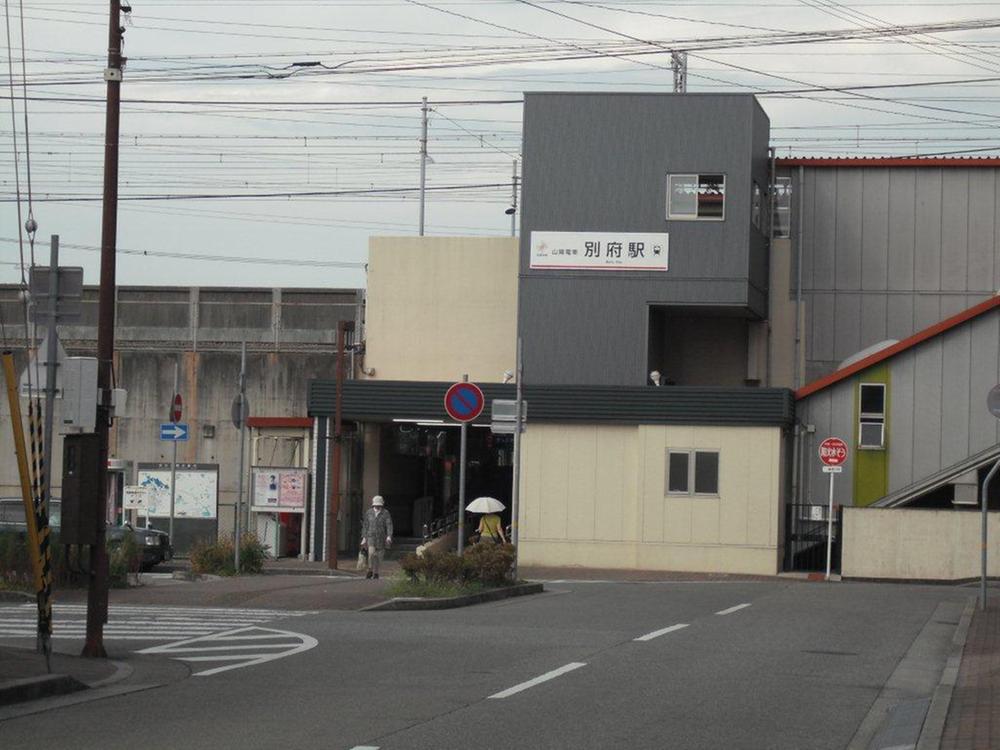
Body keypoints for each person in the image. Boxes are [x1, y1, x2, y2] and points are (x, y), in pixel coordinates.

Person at [360, 495, 393, 579]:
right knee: (371, 554)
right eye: (376, 505)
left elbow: (389, 525)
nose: (377, 506)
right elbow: (365, 525)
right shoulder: (369, 512)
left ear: (381, 504)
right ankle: (370, 570)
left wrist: (389, 536)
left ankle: (376, 572)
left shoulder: (385, 513)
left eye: (379, 505)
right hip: (370, 537)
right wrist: (364, 538)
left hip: (381, 537)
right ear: (373, 504)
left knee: (379, 557)